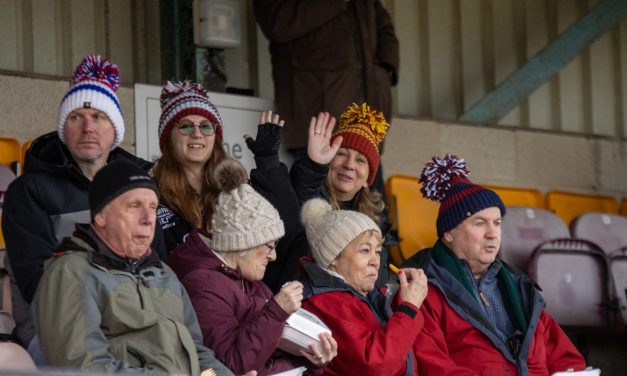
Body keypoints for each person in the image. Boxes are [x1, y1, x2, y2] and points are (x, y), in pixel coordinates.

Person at [2, 55, 164, 350]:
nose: (88, 127)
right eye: (76, 117)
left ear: (115, 130)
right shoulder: (29, 191)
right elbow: (38, 285)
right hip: (58, 331)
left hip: (137, 326)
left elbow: (159, 268)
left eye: (99, 117)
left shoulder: (139, 188)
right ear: (64, 129)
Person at [32, 160, 239, 375]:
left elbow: (196, 352)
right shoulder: (71, 272)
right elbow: (82, 366)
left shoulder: (163, 274)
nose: (149, 219)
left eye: (153, 207)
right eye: (134, 206)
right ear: (101, 216)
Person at [403, 155, 587, 375]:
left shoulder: (521, 287)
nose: (492, 234)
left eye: (497, 223)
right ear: (449, 233)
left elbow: (566, 359)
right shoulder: (423, 290)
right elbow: (432, 366)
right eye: (479, 223)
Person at [168, 158, 337, 375]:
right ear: (241, 243)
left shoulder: (249, 281)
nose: (274, 256)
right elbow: (228, 367)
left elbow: (272, 354)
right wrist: (276, 313)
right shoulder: (203, 284)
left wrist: (313, 361)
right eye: (268, 245)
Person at [253, 0, 399, 160]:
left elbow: (383, 26)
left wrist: (385, 70)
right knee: (314, 181)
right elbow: (276, 23)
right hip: (317, 116)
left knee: (367, 183)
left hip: (367, 122)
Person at [299, 198, 428, 376]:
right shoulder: (327, 302)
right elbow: (375, 366)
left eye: (378, 251)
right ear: (333, 258)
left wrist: (400, 300)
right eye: (365, 251)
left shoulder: (361, 295)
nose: (375, 262)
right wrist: (408, 308)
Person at [290, 103, 391, 286]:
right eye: (342, 154)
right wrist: (313, 165)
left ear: (369, 178)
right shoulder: (305, 196)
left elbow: (376, 286)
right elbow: (300, 196)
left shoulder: (377, 223)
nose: (349, 165)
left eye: (360, 160)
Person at [154, 80, 229, 253]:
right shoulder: (150, 194)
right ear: (168, 139)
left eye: (205, 126)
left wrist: (268, 162)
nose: (197, 134)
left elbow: (287, 232)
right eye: (186, 126)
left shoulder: (236, 191)